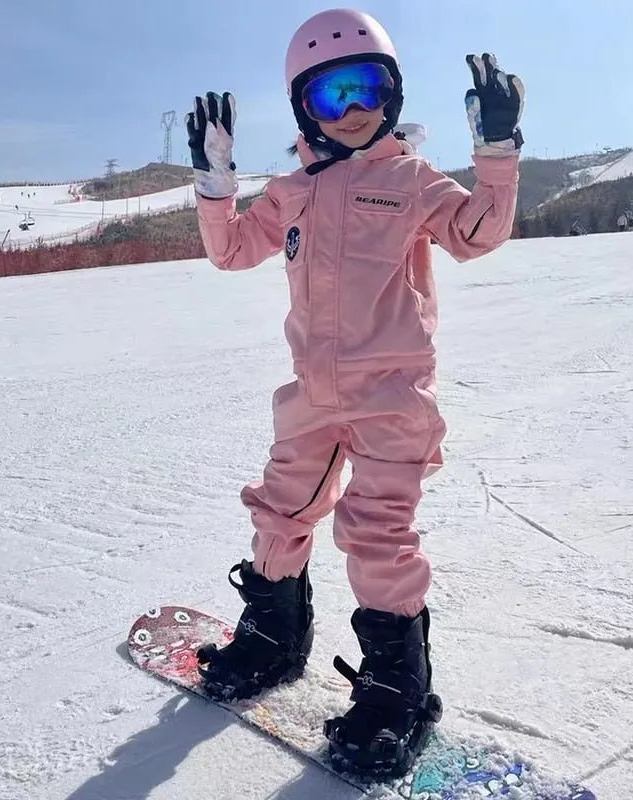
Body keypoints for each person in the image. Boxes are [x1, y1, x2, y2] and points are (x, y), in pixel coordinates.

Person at [186, 8, 524, 775]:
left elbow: (475, 233)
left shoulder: (409, 180)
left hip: (392, 396)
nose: (354, 111)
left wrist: (496, 154)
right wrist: (215, 185)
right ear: (305, 107)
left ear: (393, 96)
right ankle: (273, 638)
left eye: (367, 89)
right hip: (310, 393)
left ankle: (395, 686)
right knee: (280, 510)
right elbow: (233, 250)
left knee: (377, 536)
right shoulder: (294, 189)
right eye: (332, 96)